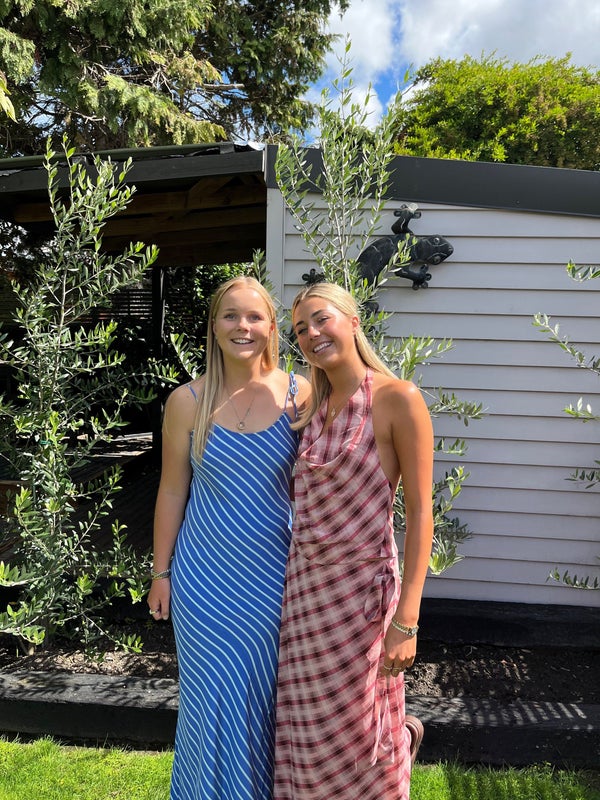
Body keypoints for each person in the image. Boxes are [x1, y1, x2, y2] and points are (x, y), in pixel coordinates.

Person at [147, 275, 310, 800]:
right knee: (209, 700)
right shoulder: (187, 401)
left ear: (272, 327)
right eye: (231, 315)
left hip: (274, 577)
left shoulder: (301, 394)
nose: (244, 326)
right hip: (203, 579)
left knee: (261, 699)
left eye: (255, 316)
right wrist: (161, 572)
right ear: (214, 327)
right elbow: (172, 490)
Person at [274, 282, 434, 800]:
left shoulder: (398, 399)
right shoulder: (308, 409)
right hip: (304, 598)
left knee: (365, 736)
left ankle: (400, 746)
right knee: (308, 731)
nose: (312, 334)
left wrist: (406, 621)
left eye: (322, 319)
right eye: (301, 329)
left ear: (353, 321)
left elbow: (420, 514)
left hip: (363, 601)